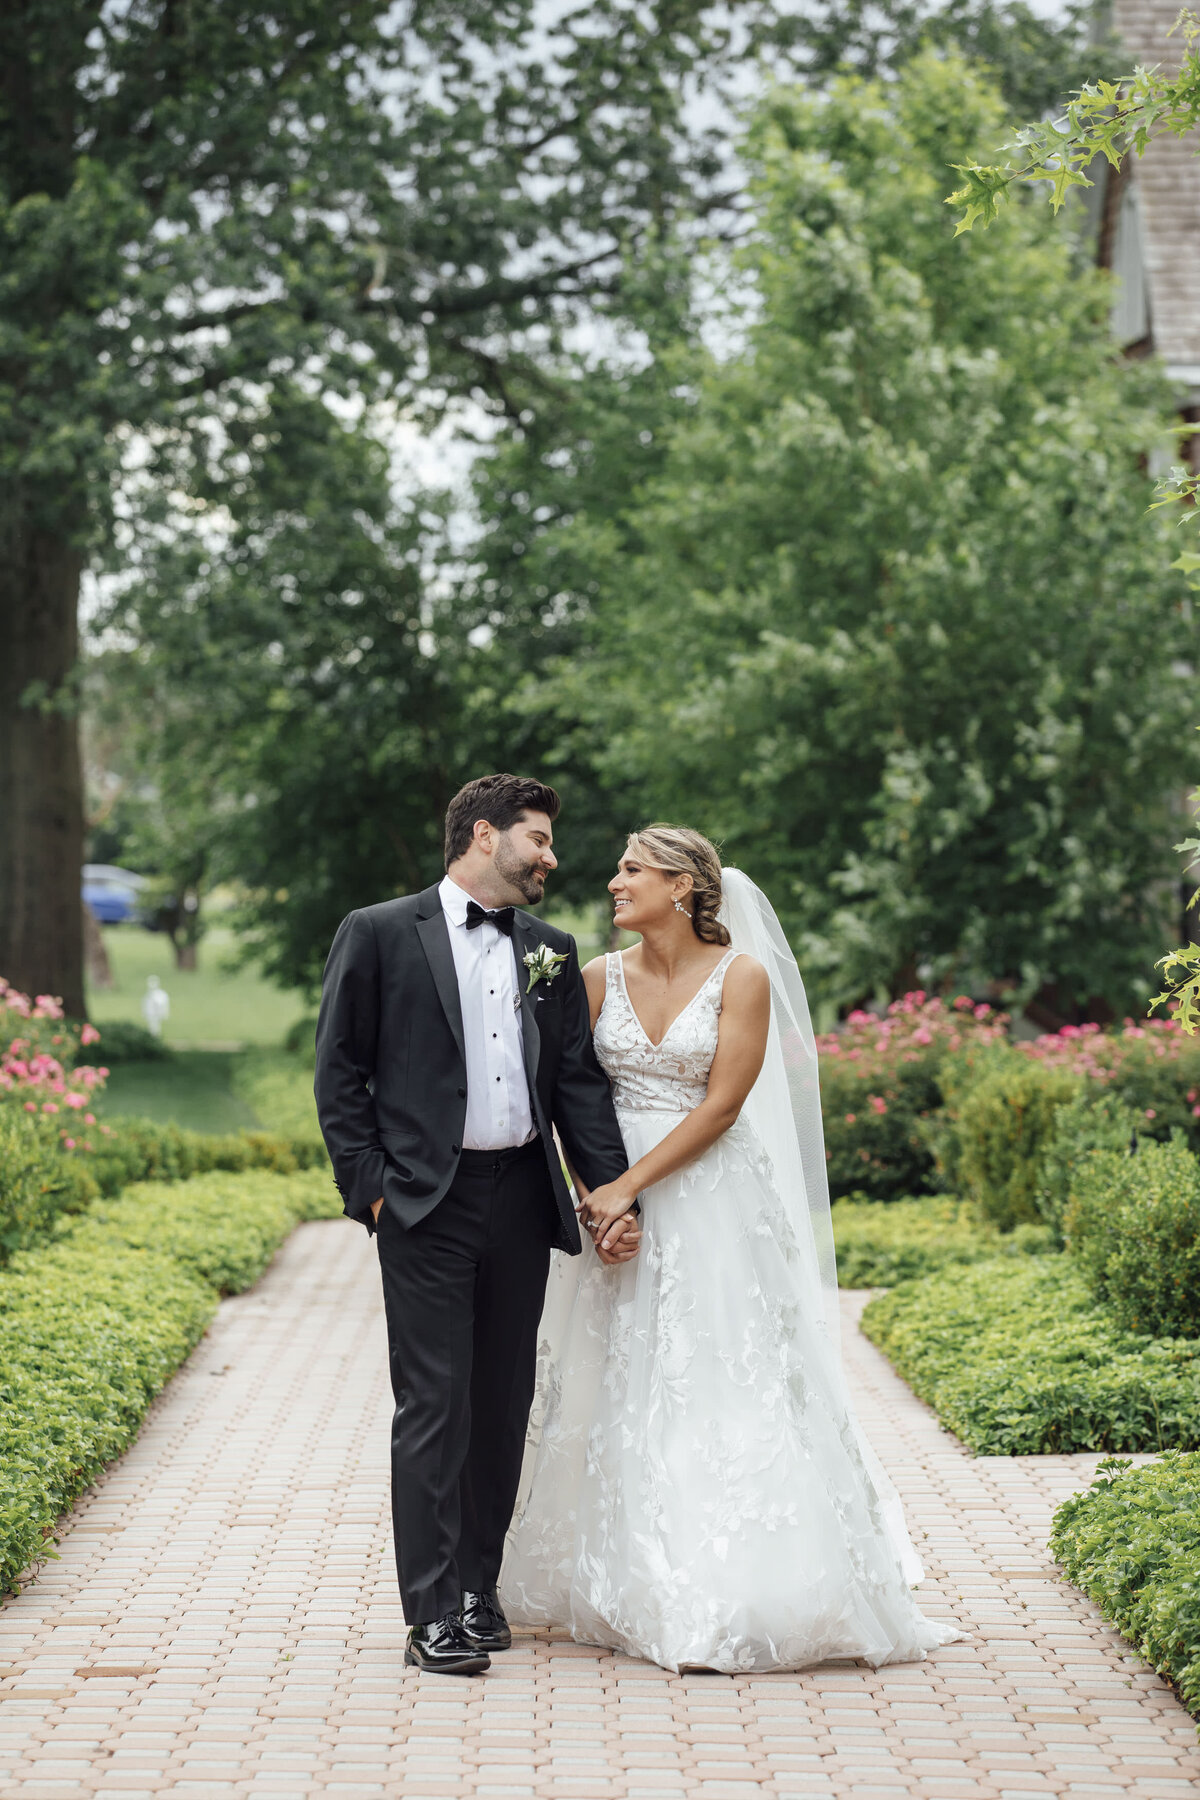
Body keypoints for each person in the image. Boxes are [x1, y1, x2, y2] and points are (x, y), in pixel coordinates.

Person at [501, 825, 962, 1672]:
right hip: (610, 1192)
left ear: (681, 885)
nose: (614, 882)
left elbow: (721, 1106)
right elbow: (569, 1094)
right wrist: (599, 1199)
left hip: (708, 1197)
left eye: (632, 869)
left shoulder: (740, 976)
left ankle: (739, 1585)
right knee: (617, 1377)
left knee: (719, 1375)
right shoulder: (597, 977)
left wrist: (632, 1187)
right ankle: (630, 1575)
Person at [314, 774, 640, 1676]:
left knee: (501, 1404)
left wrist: (614, 1195)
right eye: (539, 839)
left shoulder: (550, 949)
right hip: (425, 1203)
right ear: (485, 835)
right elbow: (339, 1072)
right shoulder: (379, 932)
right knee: (435, 1403)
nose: (551, 858)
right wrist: (373, 1192)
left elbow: (578, 1088)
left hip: (521, 1199)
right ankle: (429, 1616)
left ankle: (475, 1589)